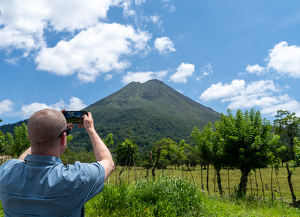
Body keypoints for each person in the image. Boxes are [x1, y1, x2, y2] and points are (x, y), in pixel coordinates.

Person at [0, 109, 115, 217]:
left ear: (30, 138)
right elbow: (108, 163)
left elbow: (22, 158)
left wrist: (41, 134)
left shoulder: (5, 171)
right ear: (63, 138)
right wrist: (91, 130)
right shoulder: (77, 177)